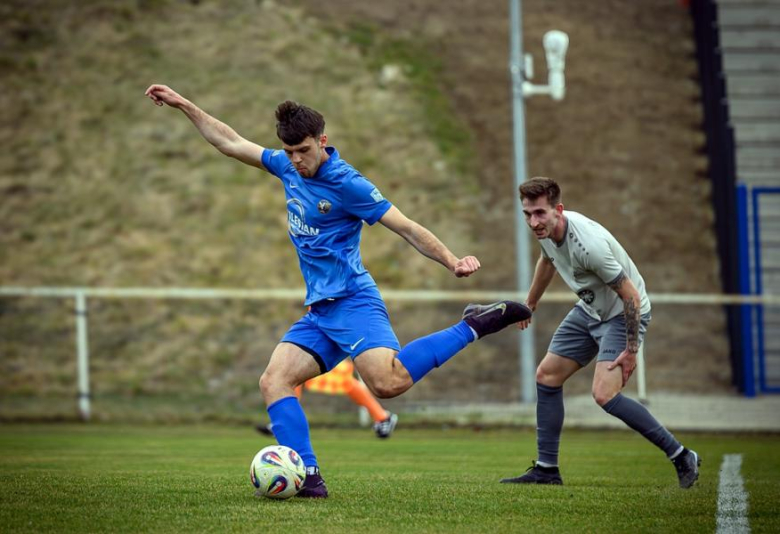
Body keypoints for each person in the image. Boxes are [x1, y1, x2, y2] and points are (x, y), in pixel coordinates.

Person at [144, 85, 531, 498]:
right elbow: (230, 142)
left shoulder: (351, 185)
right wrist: (185, 105)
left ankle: (473, 325)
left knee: (389, 382)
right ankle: (309, 477)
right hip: (320, 311)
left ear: (322, 142)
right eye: (289, 151)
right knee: (274, 380)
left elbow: (407, 227)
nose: (296, 160)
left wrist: (453, 260)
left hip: (353, 300)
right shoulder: (287, 166)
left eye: (303, 151)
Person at [500, 176, 700, 489]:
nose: (533, 221)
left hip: (624, 313)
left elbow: (631, 295)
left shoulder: (588, 246)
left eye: (539, 213)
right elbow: (547, 260)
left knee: (605, 394)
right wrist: (530, 303)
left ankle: (681, 454)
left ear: (558, 210)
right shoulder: (545, 231)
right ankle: (546, 470)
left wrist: (632, 349)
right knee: (547, 376)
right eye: (527, 213)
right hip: (591, 309)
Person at [256, 359, 399, 439]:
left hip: (334, 324)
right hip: (319, 320)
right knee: (293, 374)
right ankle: (285, 421)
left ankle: (382, 416)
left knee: (343, 380)